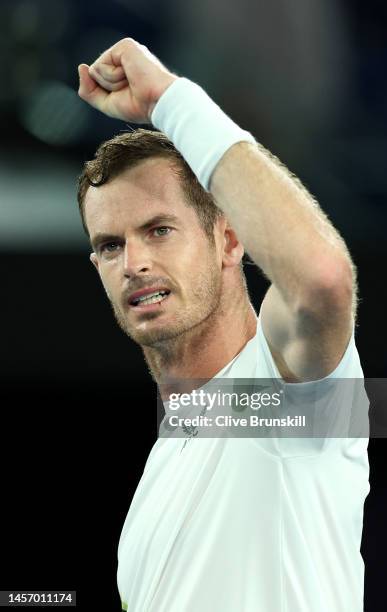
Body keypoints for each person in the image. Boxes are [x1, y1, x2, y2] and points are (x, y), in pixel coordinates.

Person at [77, 38, 370, 612]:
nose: (133, 262)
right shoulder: (162, 469)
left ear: (229, 239)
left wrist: (171, 99)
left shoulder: (285, 396)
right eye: (111, 245)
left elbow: (322, 279)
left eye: (159, 229)